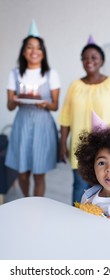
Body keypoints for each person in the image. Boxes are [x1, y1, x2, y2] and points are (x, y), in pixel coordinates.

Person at [58, 36, 110, 204]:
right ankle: (76, 221)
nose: (89, 61)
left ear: (101, 60)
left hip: (107, 149)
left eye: (93, 57)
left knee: (106, 188)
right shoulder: (75, 86)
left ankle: (102, 222)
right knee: (79, 186)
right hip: (79, 147)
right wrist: (62, 143)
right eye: (85, 58)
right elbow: (65, 117)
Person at [5, 20, 61, 197]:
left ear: (43, 52)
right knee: (22, 173)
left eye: (38, 47)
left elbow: (54, 105)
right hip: (22, 125)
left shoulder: (51, 74)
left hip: (42, 125)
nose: (34, 51)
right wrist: (15, 100)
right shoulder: (14, 74)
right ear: (23, 51)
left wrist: (45, 104)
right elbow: (10, 106)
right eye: (29, 47)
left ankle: (36, 206)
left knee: (38, 173)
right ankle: (26, 200)